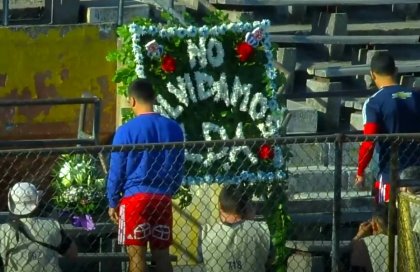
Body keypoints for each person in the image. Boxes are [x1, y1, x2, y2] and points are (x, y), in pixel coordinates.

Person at [107, 79, 185, 272]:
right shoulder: (173, 128)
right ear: (154, 98)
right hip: (162, 198)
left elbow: (116, 169)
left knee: (136, 257)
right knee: (162, 255)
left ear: (132, 101)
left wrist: (112, 200)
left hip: (134, 199)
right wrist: (170, 189)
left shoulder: (125, 131)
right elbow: (178, 164)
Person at [355, 51, 420, 203]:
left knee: (383, 220)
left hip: (389, 175)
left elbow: (369, 141)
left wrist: (360, 171)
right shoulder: (417, 96)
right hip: (417, 174)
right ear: (396, 71)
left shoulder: (373, 103)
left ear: (372, 74)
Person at [0, 182, 77, 272]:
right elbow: (73, 254)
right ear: (37, 203)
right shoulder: (52, 225)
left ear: (11, 203)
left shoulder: (4, 230)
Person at [201, 185, 271, 272]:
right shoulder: (262, 230)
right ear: (246, 206)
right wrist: (250, 218)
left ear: (220, 206)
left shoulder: (206, 234)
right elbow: (270, 260)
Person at [351, 205, 388, 272]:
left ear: (374, 225)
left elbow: (347, 258)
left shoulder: (364, 243)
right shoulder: (404, 239)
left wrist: (357, 237)